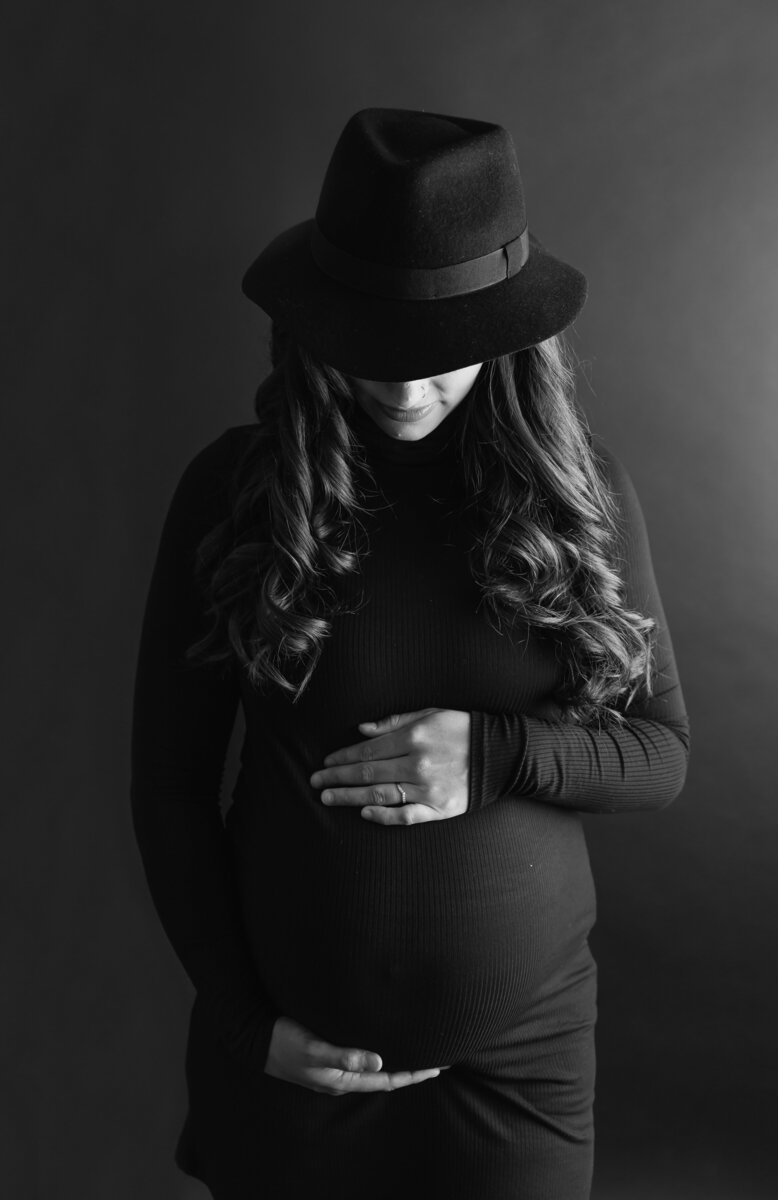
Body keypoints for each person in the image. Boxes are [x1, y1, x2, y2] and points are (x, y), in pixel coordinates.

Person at [130, 108, 689, 1200]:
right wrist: (247, 1026)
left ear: (510, 332)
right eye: (369, 346)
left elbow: (660, 755)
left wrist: (494, 754)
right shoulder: (234, 496)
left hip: (512, 1071)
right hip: (296, 1070)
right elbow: (168, 790)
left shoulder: (579, 503)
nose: (400, 385)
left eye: (436, 355)